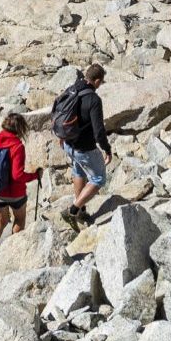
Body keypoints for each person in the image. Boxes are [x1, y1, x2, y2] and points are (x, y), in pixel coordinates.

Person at [0, 113, 38, 271]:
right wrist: (34, 175)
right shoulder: (17, 145)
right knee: (19, 219)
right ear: (20, 128)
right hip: (14, 193)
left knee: (1, 219)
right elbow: (17, 175)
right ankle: (13, 253)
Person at [60, 64, 110, 229]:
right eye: (101, 82)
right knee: (98, 178)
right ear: (96, 80)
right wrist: (106, 149)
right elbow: (99, 131)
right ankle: (73, 210)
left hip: (68, 144)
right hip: (84, 148)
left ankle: (81, 210)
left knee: (79, 171)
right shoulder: (94, 99)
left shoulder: (72, 89)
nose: (100, 85)